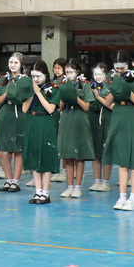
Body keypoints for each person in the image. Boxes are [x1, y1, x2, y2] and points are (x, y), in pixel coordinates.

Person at [101, 50, 134, 211]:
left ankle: (133, 197)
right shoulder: (112, 76)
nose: (119, 70)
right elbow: (107, 101)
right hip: (119, 115)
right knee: (122, 160)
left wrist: (126, 88)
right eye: (117, 67)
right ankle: (122, 196)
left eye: (122, 67)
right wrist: (116, 85)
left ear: (128, 64)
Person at [21, 60, 61, 204]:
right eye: (33, 76)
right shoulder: (30, 89)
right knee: (34, 155)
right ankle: (38, 191)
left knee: (46, 157)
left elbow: (50, 109)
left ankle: (46, 193)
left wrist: (38, 93)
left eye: (38, 76)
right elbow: (24, 109)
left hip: (45, 122)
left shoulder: (54, 88)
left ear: (45, 74)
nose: (36, 79)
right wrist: (31, 93)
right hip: (32, 121)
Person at [56, 59, 95, 198]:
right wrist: (64, 94)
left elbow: (86, 107)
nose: (69, 74)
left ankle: (78, 187)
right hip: (67, 117)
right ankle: (69, 186)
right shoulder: (61, 85)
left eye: (71, 71)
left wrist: (74, 95)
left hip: (80, 118)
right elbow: (59, 107)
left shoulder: (85, 85)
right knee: (68, 155)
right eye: (67, 71)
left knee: (79, 155)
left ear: (78, 71)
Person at [0, 52, 32, 193]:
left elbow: (28, 98)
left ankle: (15, 181)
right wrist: (7, 92)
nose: (13, 65)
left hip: (20, 114)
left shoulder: (26, 80)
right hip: (6, 113)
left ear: (22, 65)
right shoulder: (4, 79)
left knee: (18, 150)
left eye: (16, 62)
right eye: (11, 62)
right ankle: (8, 179)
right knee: (3, 150)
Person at [88, 62, 113, 192]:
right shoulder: (89, 86)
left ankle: (106, 181)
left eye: (100, 74)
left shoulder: (110, 87)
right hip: (93, 119)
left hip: (107, 120)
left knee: (106, 151)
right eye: (95, 74)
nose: (97, 77)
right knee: (95, 152)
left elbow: (112, 106)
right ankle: (97, 180)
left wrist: (98, 97)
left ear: (106, 74)